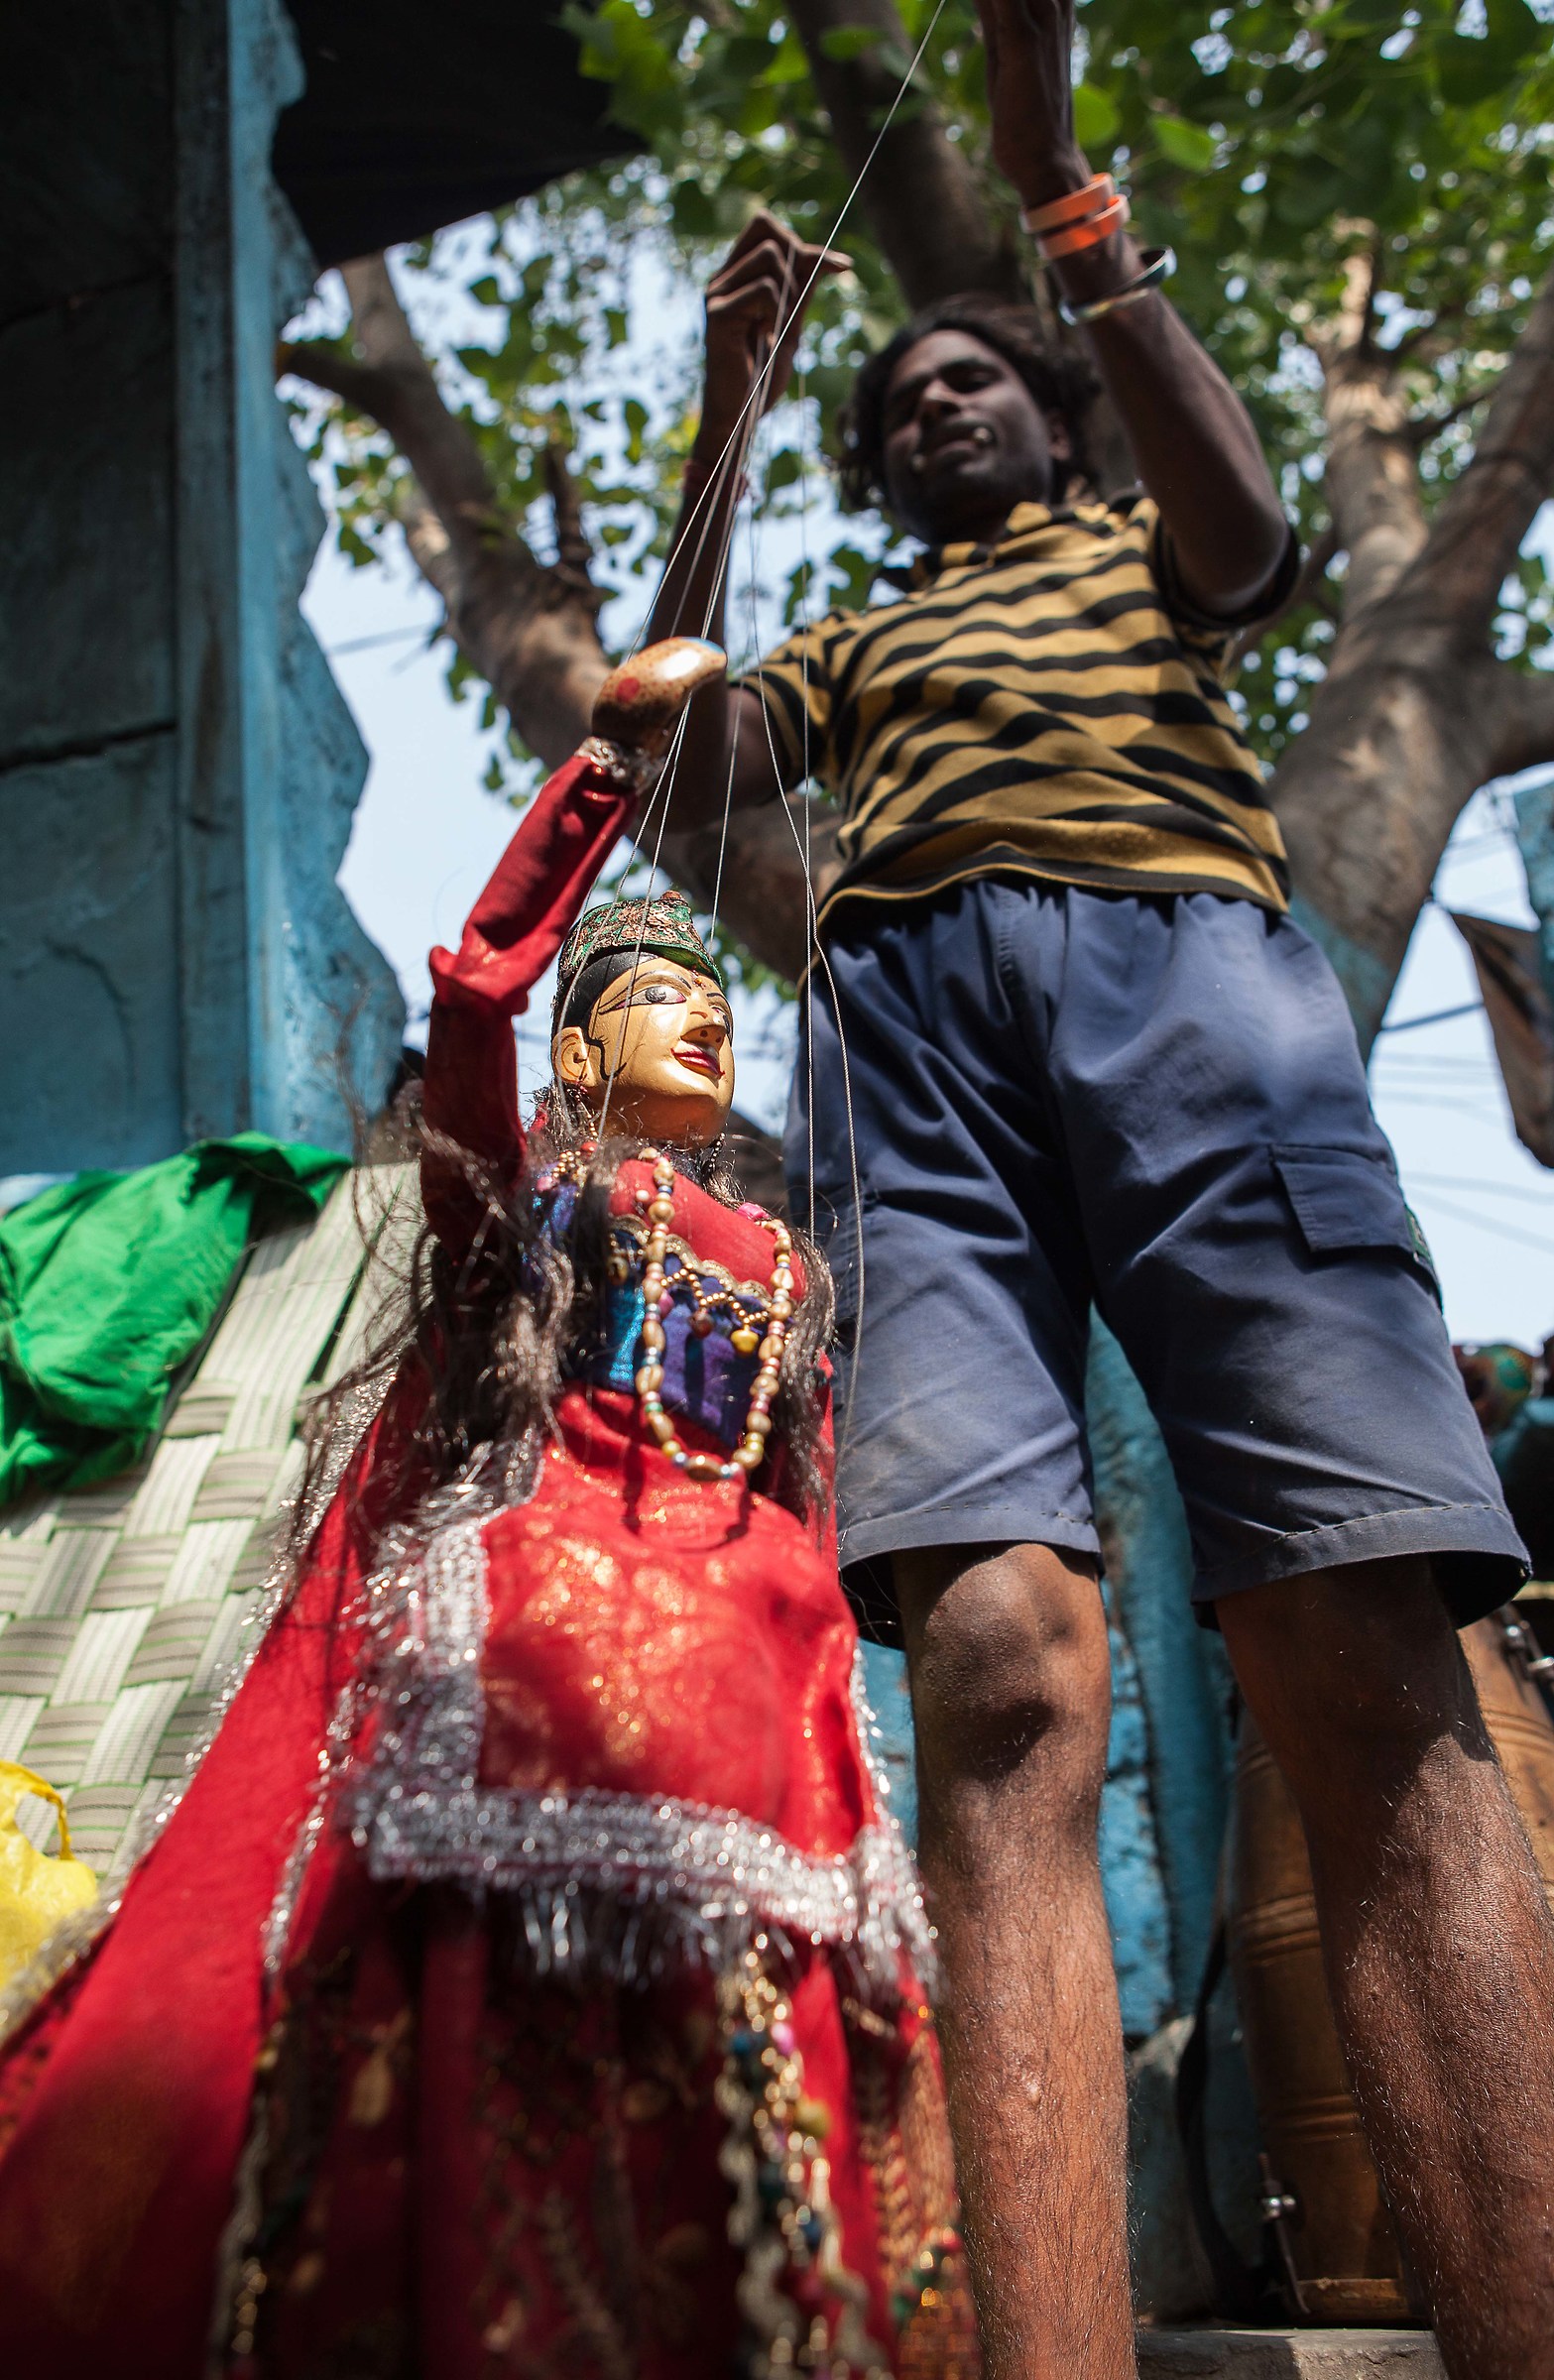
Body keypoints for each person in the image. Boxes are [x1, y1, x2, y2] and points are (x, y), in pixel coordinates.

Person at [647, 4, 1554, 2375]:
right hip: (905, 1059)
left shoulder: (1130, 544)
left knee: (1360, 1637)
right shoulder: (852, 647)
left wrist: (1060, 186)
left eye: (961, 379)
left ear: (1048, 406)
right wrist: (727, 431)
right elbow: (671, 774)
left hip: (1193, 991)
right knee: (992, 1671)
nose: (924, 408)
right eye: (893, 410)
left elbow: (1252, 532)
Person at [0, 642, 978, 2380]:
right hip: (547, 1642)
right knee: (510, 2026)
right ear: (581, 1047)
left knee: (765, 2018)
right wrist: (597, 776)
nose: (706, 1010)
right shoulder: (520, 1211)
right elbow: (473, 991)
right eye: (655, 995)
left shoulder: (792, 1256)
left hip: (768, 1657)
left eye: (718, 999)